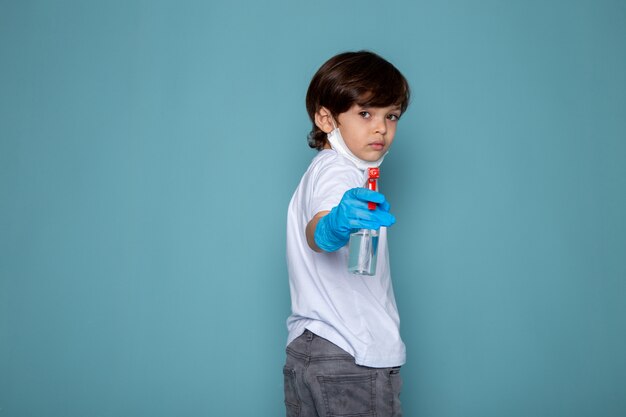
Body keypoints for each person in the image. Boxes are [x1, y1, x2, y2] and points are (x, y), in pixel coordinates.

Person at [284, 51, 410, 417]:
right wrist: (333, 226)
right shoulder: (338, 171)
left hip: (312, 347)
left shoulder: (327, 169)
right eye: (365, 113)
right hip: (351, 353)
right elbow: (317, 232)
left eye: (392, 115)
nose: (381, 128)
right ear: (326, 118)